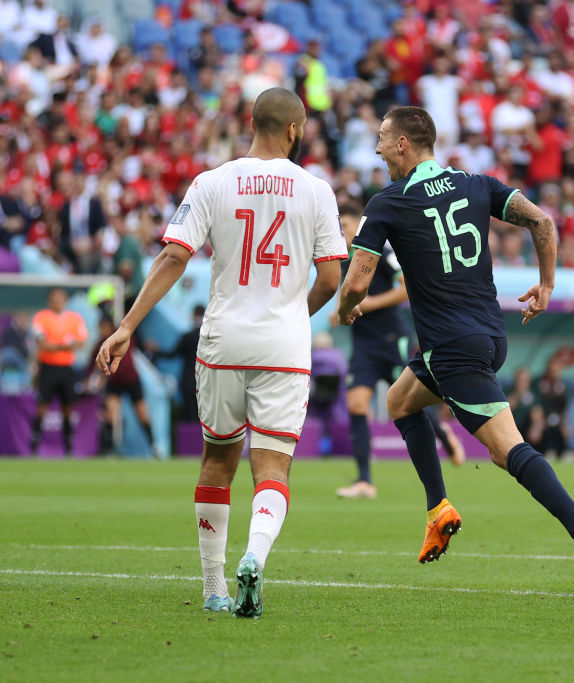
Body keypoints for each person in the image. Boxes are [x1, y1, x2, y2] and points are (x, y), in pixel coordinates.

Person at [336, 106, 574, 596]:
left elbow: (357, 279)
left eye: (381, 139)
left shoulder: (389, 201)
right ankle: (439, 509)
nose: (377, 149)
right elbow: (543, 223)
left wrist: (345, 308)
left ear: (403, 144)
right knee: (399, 401)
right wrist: (546, 285)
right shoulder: (479, 184)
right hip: (487, 334)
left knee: (506, 451)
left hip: (451, 349)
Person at [97, 88, 345, 617]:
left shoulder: (213, 182)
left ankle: (213, 588)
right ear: (296, 131)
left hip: (223, 341)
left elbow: (173, 257)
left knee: (217, 460)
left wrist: (126, 327)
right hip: (284, 345)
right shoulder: (317, 190)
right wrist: (295, 313)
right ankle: (254, 557)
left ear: (252, 124)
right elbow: (331, 276)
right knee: (273, 467)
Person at [329, 204, 463, 499]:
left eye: (347, 227)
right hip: (363, 344)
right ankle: (365, 480)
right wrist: (341, 312)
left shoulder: (380, 252)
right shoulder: (343, 262)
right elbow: (348, 300)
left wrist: (366, 305)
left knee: (410, 401)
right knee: (355, 404)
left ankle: (445, 436)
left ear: (359, 227)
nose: (343, 233)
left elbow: (405, 289)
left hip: (391, 338)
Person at [30, 287, 87, 456]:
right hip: (47, 368)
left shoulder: (74, 319)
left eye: (60, 298)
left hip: (66, 369)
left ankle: (69, 446)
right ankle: (34, 443)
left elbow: (80, 342)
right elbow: (41, 342)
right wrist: (63, 346)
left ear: (65, 300)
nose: (57, 301)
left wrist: (55, 346)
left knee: (68, 408)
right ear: (50, 301)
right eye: (54, 298)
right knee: (42, 406)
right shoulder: (41, 317)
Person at [88, 317, 155, 456]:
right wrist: (89, 379)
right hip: (114, 383)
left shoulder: (122, 339)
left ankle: (154, 446)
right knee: (112, 415)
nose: (102, 331)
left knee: (142, 414)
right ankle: (109, 450)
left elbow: (123, 364)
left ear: (110, 327)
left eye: (104, 328)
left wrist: (105, 379)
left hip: (131, 380)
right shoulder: (101, 344)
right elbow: (92, 362)